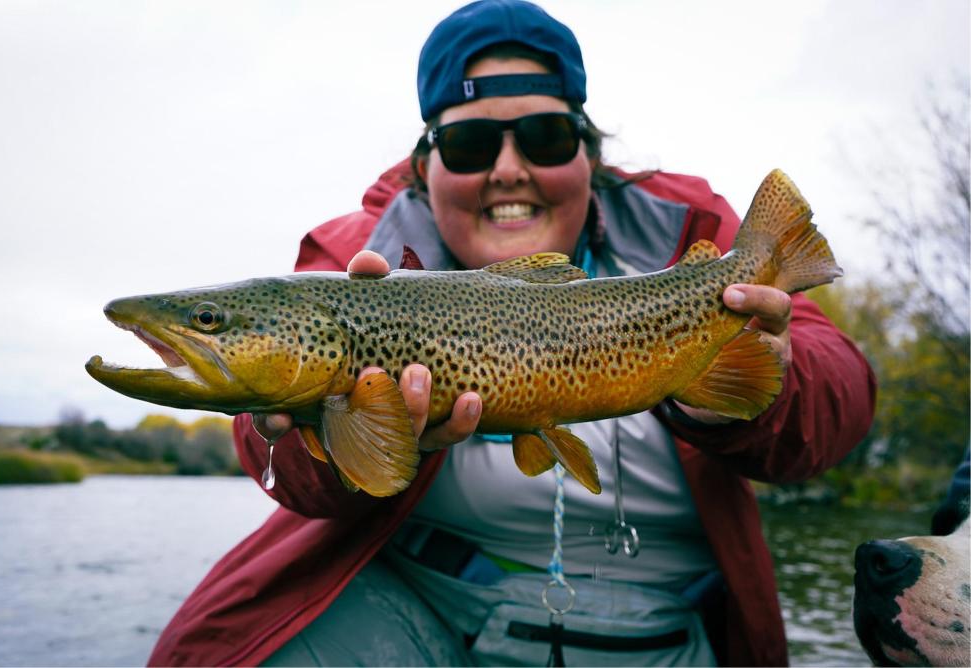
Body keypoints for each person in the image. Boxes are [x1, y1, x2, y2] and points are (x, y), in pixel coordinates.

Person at [148, 1, 877, 666]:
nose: (507, 170)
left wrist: (748, 383)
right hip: (420, 604)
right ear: (425, 165)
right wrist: (325, 437)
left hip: (669, 622)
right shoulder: (357, 259)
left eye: (545, 135)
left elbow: (840, 397)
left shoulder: (691, 231)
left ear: (587, 151)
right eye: (469, 146)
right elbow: (265, 442)